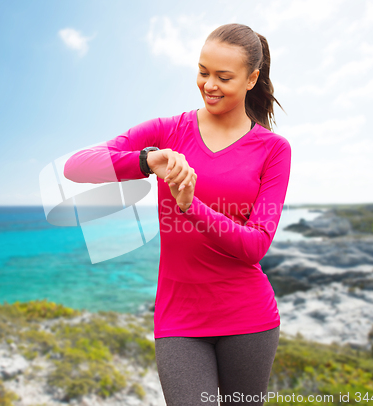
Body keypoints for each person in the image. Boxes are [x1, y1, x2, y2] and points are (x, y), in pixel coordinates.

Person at [64, 23, 291, 406]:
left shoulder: (273, 150)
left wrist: (190, 206)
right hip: (179, 320)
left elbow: (255, 245)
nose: (209, 85)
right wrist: (148, 159)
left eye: (224, 77)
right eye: (203, 72)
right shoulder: (169, 131)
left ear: (252, 78)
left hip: (249, 319)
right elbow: (76, 166)